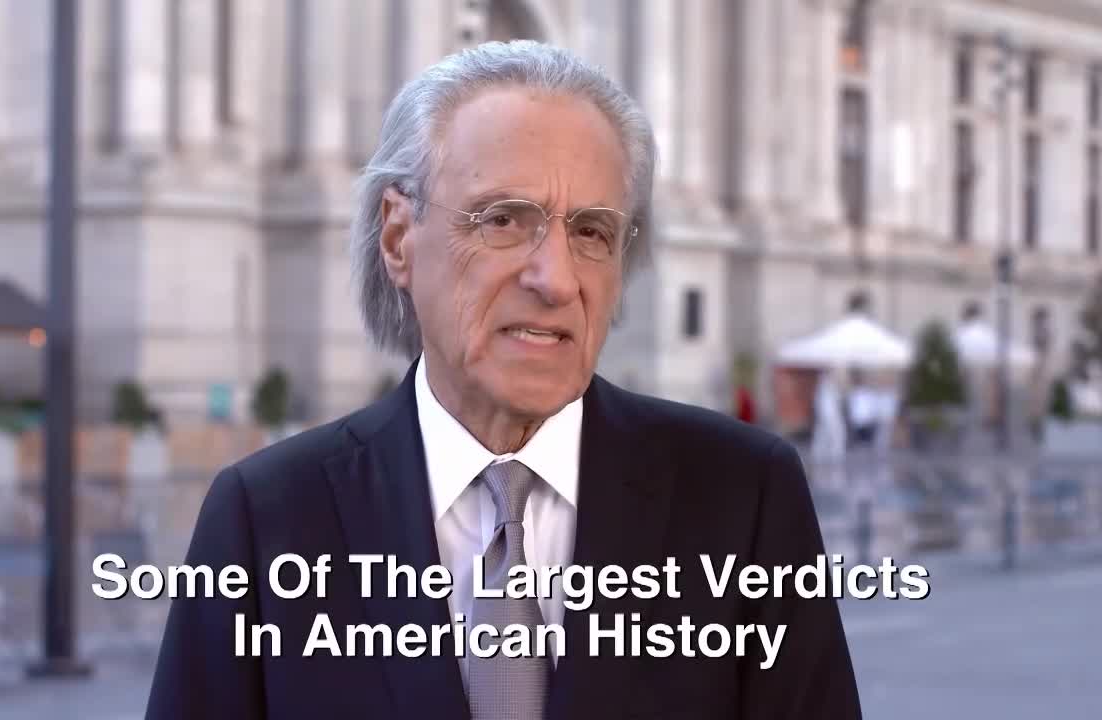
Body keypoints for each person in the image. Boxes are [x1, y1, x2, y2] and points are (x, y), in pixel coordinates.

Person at [146, 40, 860, 720]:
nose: (556, 280)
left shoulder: (744, 497)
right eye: (504, 221)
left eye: (591, 232)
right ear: (398, 237)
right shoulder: (265, 518)